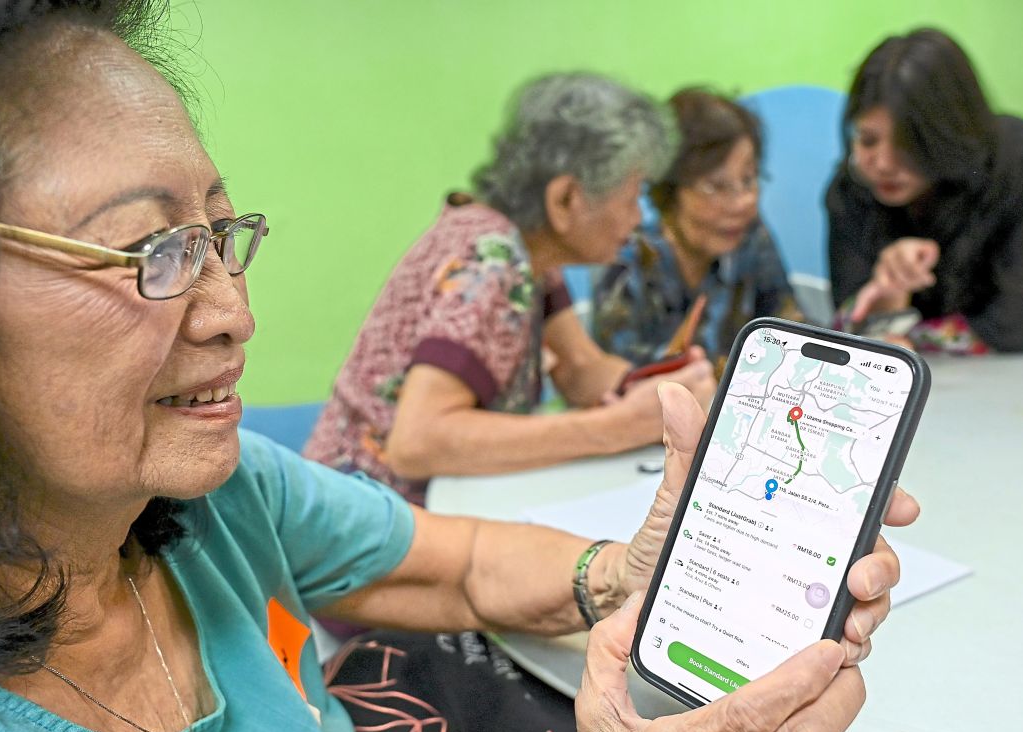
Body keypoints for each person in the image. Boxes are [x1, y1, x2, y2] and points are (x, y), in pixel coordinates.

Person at [0, 2, 918, 732]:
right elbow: (422, 438)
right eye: (153, 250)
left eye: (222, 237)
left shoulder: (217, 493)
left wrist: (632, 566)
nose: (235, 311)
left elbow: (449, 557)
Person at [303, 74, 716, 503]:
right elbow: (417, 443)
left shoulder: (527, 253)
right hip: (358, 521)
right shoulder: (493, 262)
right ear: (565, 200)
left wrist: (665, 392)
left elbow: (579, 368)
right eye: (633, 195)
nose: (638, 217)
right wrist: (618, 428)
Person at [826, 28, 1023, 353]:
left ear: (949, 133)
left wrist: (908, 338)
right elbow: (848, 330)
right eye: (868, 140)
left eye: (909, 143)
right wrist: (880, 300)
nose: (883, 164)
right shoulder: (852, 185)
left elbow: (1021, 326)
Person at [592, 88, 796, 365]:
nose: (741, 203)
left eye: (748, 180)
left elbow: (790, 324)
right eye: (716, 186)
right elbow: (613, 373)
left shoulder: (751, 239)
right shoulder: (627, 259)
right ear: (671, 189)